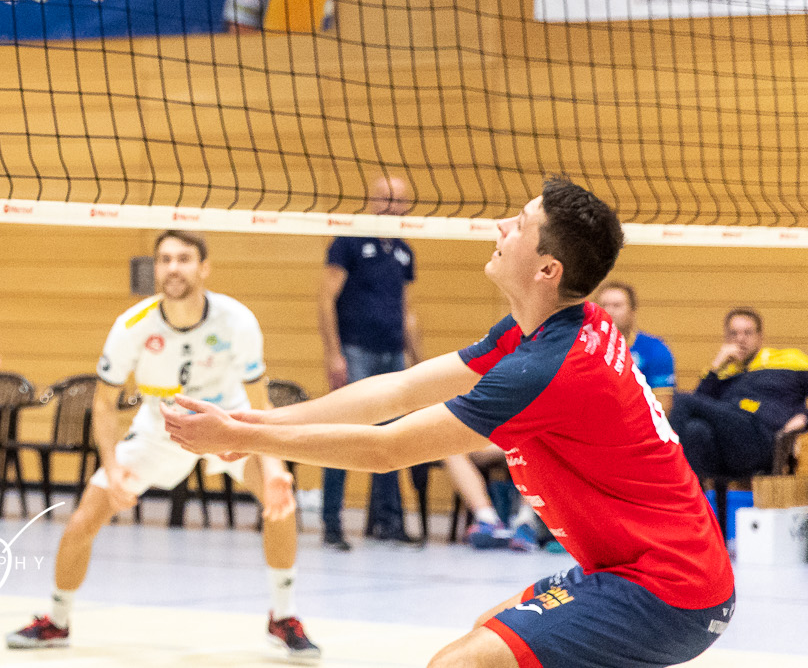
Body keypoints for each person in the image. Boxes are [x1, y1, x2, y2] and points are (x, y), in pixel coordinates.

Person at [165, 177, 736, 668]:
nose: (499, 228)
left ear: (547, 268)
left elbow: (386, 449)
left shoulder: (545, 369)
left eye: (517, 225)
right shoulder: (548, 327)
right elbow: (399, 388)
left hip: (667, 588)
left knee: (458, 663)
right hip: (649, 571)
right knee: (488, 627)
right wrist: (257, 419)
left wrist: (243, 437)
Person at [7, 231, 316, 660]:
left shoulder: (237, 320)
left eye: (184, 259)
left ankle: (283, 616)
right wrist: (113, 473)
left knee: (281, 504)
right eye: (165, 259)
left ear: (204, 268)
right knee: (83, 519)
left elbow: (260, 402)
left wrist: (276, 467)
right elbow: (104, 403)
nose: (173, 268)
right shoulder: (133, 325)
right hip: (159, 431)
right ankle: (57, 621)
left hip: (229, 426)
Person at [316, 176, 419, 549]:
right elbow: (326, 299)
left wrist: (417, 362)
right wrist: (333, 353)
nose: (391, 206)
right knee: (344, 437)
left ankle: (388, 523)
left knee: (393, 439)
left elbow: (407, 311)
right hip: (355, 352)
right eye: (384, 198)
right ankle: (332, 523)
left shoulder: (404, 251)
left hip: (392, 355)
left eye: (399, 200)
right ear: (372, 201)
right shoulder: (348, 241)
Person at [670, 307, 808, 484]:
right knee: (694, 430)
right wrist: (715, 368)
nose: (740, 339)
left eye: (747, 333)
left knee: (681, 399)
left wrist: (804, 418)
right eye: (734, 334)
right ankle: (691, 502)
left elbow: (690, 403)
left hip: (766, 437)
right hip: (730, 448)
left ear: (760, 336)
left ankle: (665, 473)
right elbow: (696, 407)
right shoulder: (720, 373)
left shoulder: (789, 360)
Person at [596, 282, 676, 411]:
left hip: (637, 424)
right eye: (603, 305)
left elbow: (662, 406)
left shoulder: (655, 349)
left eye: (617, 306)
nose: (609, 311)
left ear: (632, 311)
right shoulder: (583, 348)